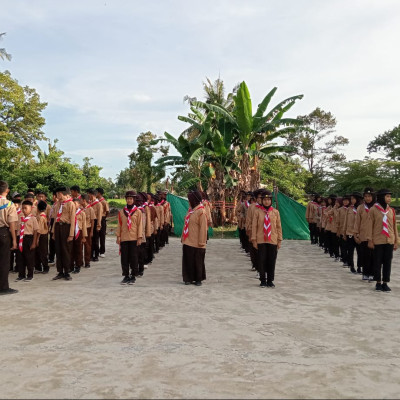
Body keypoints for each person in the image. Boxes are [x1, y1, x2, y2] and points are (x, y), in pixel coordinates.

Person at [367, 189, 398, 292]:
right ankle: (378, 282)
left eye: (390, 196)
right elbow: (369, 226)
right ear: (381, 197)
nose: (389, 198)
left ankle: (385, 282)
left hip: (389, 240)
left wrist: (396, 241)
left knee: (387, 262)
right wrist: (370, 240)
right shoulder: (373, 210)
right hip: (378, 240)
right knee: (377, 262)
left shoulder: (391, 211)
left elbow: (394, 227)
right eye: (387, 196)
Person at [251, 189, 282, 288]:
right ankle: (263, 280)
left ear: (271, 201)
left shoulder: (275, 212)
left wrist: (279, 240)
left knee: (271, 260)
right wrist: (254, 240)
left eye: (268, 200)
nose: (266, 201)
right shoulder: (257, 212)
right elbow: (254, 226)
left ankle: (270, 280)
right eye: (264, 200)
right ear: (262, 200)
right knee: (261, 260)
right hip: (261, 239)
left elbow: (278, 227)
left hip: (272, 239)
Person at [181, 190, 208, 286]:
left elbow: (203, 228)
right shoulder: (191, 211)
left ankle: (198, 279)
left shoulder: (201, 211)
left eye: (190, 200)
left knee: (197, 260)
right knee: (188, 260)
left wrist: (202, 242)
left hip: (197, 242)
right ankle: (188, 278)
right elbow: (186, 225)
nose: (188, 202)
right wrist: (183, 238)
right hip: (188, 240)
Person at [116, 191, 143, 285]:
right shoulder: (121, 212)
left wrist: (139, 237)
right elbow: (119, 225)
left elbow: (140, 225)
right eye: (128, 198)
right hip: (124, 237)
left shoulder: (138, 212)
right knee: (124, 258)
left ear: (134, 200)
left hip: (134, 238)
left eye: (131, 199)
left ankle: (133, 276)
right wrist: (118, 236)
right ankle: (126, 275)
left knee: (134, 258)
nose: (129, 200)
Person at [52, 187, 76, 281]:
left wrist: (71, 234)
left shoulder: (71, 204)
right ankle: (60, 271)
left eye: (59, 194)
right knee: (58, 250)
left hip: (66, 227)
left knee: (66, 250)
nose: (57, 196)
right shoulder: (58, 204)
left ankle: (67, 271)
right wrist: (53, 232)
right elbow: (55, 219)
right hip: (58, 226)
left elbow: (73, 219)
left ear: (64, 194)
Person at [0, 181, 18, 295]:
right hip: (3, 233)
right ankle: (3, 287)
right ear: (7, 190)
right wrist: (14, 240)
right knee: (4, 261)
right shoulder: (9, 204)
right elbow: (12, 223)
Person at [354, 187, 375, 281]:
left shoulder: (377, 207)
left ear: (373, 197)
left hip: (375, 236)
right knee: (364, 255)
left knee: (374, 256)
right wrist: (356, 234)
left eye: (369, 196)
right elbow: (357, 222)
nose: (367, 198)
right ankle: (365, 273)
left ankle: (372, 273)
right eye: (366, 196)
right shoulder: (360, 208)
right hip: (363, 235)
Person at [15, 200, 39, 282]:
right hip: (21, 239)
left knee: (29, 258)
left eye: (26, 208)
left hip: (29, 239)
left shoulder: (33, 218)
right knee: (20, 258)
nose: (24, 210)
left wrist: (34, 242)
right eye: (23, 208)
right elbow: (17, 229)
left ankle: (30, 275)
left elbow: (35, 231)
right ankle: (21, 275)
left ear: (30, 209)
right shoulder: (20, 218)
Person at [343, 192, 363, 274]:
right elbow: (345, 221)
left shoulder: (362, 209)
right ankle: (352, 266)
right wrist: (344, 233)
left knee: (360, 252)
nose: (352, 200)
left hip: (359, 234)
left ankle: (359, 267)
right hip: (350, 233)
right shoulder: (349, 209)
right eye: (351, 199)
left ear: (358, 199)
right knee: (350, 251)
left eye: (353, 199)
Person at [71, 198, 87, 274]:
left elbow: (84, 225)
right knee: (71, 249)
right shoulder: (70, 213)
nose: (74, 206)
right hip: (71, 232)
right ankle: (71, 265)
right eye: (73, 204)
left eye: (75, 204)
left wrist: (84, 236)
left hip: (79, 232)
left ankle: (78, 265)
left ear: (79, 205)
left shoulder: (82, 213)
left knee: (78, 250)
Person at [87, 189, 102, 262]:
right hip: (89, 222)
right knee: (90, 240)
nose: (88, 196)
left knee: (95, 240)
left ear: (92, 195)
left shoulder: (98, 204)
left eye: (89, 194)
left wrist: (98, 225)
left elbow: (99, 216)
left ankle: (96, 255)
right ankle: (90, 255)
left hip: (95, 222)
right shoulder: (89, 203)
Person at [35, 200, 49, 274]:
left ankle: (45, 267)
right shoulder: (43, 215)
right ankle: (39, 267)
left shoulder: (41, 217)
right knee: (40, 251)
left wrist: (37, 239)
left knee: (42, 252)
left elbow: (39, 230)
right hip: (43, 235)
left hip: (41, 236)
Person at [81, 194, 95, 268]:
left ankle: (87, 261)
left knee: (87, 246)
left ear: (84, 200)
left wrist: (92, 231)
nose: (79, 201)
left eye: (80, 199)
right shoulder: (79, 209)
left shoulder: (90, 209)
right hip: (80, 229)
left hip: (88, 228)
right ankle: (79, 262)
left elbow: (92, 221)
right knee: (79, 246)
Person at [96, 187, 109, 258]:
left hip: (102, 219)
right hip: (97, 219)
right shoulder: (96, 201)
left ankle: (102, 251)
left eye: (96, 192)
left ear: (99, 193)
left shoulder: (104, 202)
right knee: (96, 236)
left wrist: (104, 217)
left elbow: (107, 211)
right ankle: (96, 251)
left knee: (102, 236)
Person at [10, 197, 22, 273]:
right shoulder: (10, 213)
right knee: (10, 251)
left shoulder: (22, 214)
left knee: (18, 252)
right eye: (13, 205)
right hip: (11, 233)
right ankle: (10, 267)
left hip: (18, 234)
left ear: (19, 205)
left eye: (16, 205)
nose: (14, 206)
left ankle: (18, 267)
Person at [48, 191, 57, 265]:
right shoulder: (54, 204)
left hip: (55, 221)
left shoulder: (59, 205)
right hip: (52, 221)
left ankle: (53, 258)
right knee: (51, 241)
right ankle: (51, 257)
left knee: (54, 241)